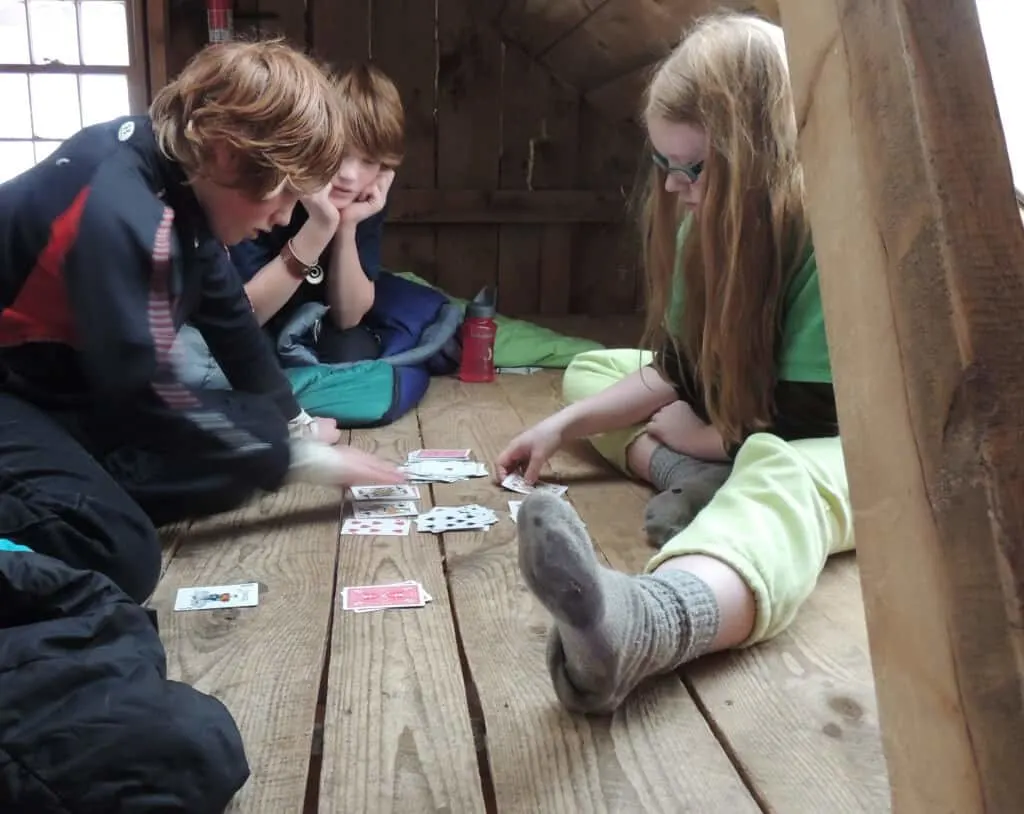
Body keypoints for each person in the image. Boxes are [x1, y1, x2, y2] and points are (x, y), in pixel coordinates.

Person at [496, 11, 853, 714]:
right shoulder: (701, 226)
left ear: (764, 160)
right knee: (589, 373)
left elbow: (819, 413)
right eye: (663, 164)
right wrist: (560, 429)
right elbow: (674, 369)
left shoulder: (827, 233)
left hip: (840, 442)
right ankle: (694, 477)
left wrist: (705, 430)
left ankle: (648, 622)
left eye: (693, 169)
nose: (671, 187)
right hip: (738, 414)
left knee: (784, 471)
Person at [0, 40, 403, 606]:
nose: (286, 217)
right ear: (225, 154)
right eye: (286, 194)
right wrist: (303, 458)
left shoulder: (173, 174)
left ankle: (73, 482)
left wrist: (293, 429)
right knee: (122, 553)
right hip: (17, 397)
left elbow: (232, 321)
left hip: (55, 385)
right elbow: (148, 392)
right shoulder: (119, 213)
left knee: (255, 428)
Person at [175, 61, 405, 390]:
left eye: (368, 161)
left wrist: (346, 227)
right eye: (341, 153)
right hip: (254, 321)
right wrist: (319, 226)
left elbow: (349, 316)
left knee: (355, 352)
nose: (350, 175)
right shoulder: (269, 189)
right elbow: (242, 315)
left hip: (311, 324)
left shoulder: (363, 198)